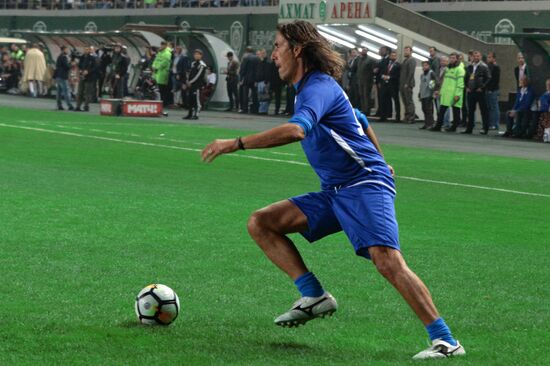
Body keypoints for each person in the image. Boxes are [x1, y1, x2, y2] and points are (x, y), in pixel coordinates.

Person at [200, 20, 464, 360]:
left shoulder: (317, 88)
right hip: (337, 191)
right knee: (262, 222)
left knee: (386, 260)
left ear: (297, 49)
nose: (274, 55)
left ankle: (446, 341)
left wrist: (236, 143)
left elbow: (297, 130)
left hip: (363, 184)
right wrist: (384, 160)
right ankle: (314, 296)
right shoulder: (314, 89)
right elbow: (362, 120)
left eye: (279, 47)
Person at [429, 53, 464, 132]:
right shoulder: (448, 69)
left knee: (456, 111)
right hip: (446, 94)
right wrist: (440, 91)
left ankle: (454, 127)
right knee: (441, 111)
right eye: (450, 58)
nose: (451, 59)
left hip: (454, 94)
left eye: (453, 58)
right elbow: (444, 82)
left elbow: (460, 84)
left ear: (457, 59)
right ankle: (438, 126)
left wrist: (457, 94)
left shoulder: (459, 69)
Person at [463, 50, 491, 135]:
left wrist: (482, 87)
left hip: (480, 91)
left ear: (480, 57)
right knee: (470, 110)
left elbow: (489, 78)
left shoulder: (484, 66)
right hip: (470, 91)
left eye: (477, 56)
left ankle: (485, 128)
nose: (476, 57)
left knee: (484, 110)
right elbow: (466, 78)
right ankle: (469, 128)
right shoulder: (469, 66)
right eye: (474, 56)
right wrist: (466, 87)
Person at [183, 49, 206, 120]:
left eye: (198, 54)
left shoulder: (202, 65)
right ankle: (190, 114)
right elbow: (190, 74)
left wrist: (190, 82)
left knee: (196, 100)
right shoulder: (193, 63)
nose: (196, 55)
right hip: (191, 85)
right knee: (190, 100)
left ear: (201, 56)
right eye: (195, 54)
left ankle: (196, 114)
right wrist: (187, 81)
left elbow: (198, 76)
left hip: (197, 85)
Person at [75, 46, 99, 112]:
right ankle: (78, 106)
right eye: (85, 49)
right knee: (80, 92)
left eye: (88, 49)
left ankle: (86, 106)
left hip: (90, 77)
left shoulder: (93, 58)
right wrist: (80, 70)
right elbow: (79, 65)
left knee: (87, 93)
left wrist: (88, 71)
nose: (86, 51)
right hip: (82, 77)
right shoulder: (82, 57)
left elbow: (95, 67)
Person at [380, 50, 400, 122]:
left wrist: (389, 77)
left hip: (393, 85)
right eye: (392, 55)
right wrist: (383, 76)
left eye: (394, 56)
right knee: (383, 100)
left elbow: (398, 76)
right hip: (385, 85)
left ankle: (398, 117)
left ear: (396, 56)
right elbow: (381, 72)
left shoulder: (398, 65)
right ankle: (383, 117)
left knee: (396, 101)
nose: (393, 57)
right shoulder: (386, 64)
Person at [53, 45, 75, 111]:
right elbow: (67, 66)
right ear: (63, 50)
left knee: (59, 92)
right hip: (62, 76)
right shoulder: (63, 57)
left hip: (58, 76)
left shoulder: (59, 57)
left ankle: (59, 105)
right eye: (66, 49)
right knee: (66, 91)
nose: (67, 51)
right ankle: (70, 105)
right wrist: (72, 63)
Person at [356, 48, 375, 116]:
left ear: (367, 51)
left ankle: (367, 111)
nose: (363, 51)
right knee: (361, 95)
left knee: (366, 96)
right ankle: (363, 109)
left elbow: (373, 71)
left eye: (365, 50)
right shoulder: (359, 59)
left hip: (367, 81)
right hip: (360, 80)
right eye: (363, 50)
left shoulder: (370, 60)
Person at [400, 46, 416, 124]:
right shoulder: (405, 60)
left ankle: (411, 117)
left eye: (407, 50)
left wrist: (407, 83)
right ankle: (407, 116)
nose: (405, 52)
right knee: (405, 101)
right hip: (402, 84)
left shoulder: (412, 60)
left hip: (408, 84)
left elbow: (411, 72)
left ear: (411, 51)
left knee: (409, 101)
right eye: (405, 50)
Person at [152, 41, 172, 106]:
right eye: (161, 45)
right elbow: (156, 60)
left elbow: (165, 62)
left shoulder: (167, 53)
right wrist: (153, 66)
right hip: (157, 73)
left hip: (163, 73)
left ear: (166, 45)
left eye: (163, 45)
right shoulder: (160, 52)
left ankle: (164, 103)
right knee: (159, 89)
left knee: (163, 89)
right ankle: (160, 101)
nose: (161, 46)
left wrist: (157, 67)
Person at [418, 60, 436, 129]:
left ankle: (431, 124)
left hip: (429, 94)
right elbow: (421, 85)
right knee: (424, 109)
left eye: (426, 65)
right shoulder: (422, 75)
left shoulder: (431, 73)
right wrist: (420, 93)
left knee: (429, 110)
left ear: (429, 66)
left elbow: (434, 83)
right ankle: (426, 123)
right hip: (423, 94)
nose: (424, 67)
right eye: (423, 66)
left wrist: (432, 93)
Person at [486, 52, 501, 130]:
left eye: (490, 57)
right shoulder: (488, 66)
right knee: (489, 107)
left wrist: (491, 89)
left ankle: (495, 124)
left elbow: (495, 80)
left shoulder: (496, 67)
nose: (488, 59)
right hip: (488, 89)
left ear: (494, 58)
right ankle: (490, 123)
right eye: (488, 57)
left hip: (493, 90)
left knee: (494, 107)